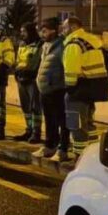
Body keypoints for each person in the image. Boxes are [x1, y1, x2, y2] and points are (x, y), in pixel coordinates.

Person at [62, 16, 108, 161]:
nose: (63, 30)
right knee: (89, 124)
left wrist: (68, 89)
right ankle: (93, 155)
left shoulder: (74, 45)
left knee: (75, 125)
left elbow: (71, 72)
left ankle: (79, 157)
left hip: (78, 90)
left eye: (64, 27)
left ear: (73, 27)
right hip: (92, 88)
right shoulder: (91, 41)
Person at [35, 17, 70, 162]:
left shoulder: (62, 46)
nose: (42, 34)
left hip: (58, 89)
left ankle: (63, 148)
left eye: (45, 31)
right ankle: (49, 145)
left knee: (62, 120)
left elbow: (66, 67)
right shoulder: (45, 46)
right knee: (49, 120)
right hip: (45, 90)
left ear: (54, 31)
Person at [13, 22, 42, 144]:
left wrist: (31, 73)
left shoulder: (39, 44)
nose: (22, 34)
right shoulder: (22, 44)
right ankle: (29, 130)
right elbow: (18, 60)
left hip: (32, 79)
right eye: (21, 31)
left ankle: (36, 132)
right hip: (21, 79)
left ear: (30, 32)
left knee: (35, 107)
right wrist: (16, 72)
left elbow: (37, 62)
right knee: (25, 107)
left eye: (24, 31)